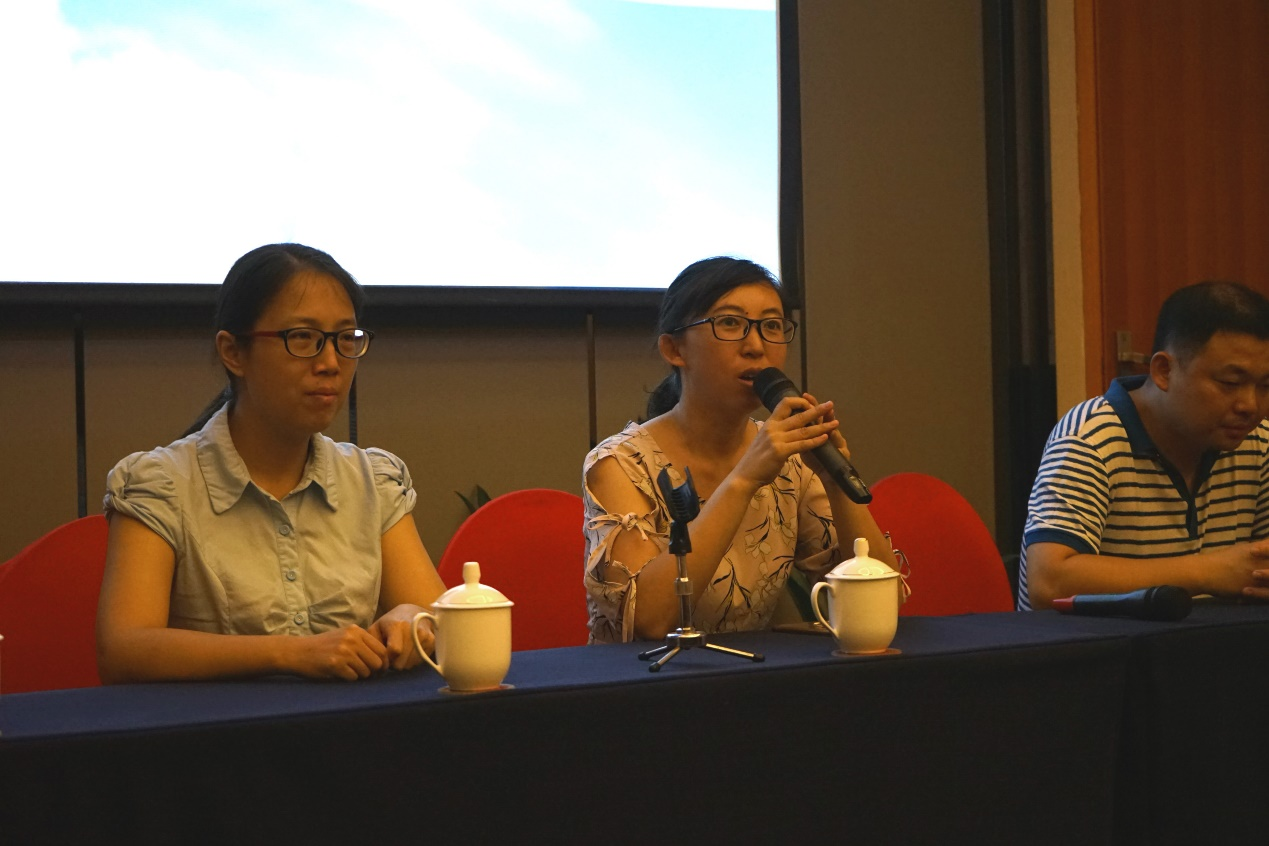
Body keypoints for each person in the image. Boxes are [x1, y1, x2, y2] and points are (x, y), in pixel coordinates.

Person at [97, 243, 447, 682]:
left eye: (346, 339)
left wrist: (414, 618)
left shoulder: (371, 481)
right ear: (233, 352)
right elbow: (124, 650)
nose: (330, 363)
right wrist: (292, 653)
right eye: (302, 338)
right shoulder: (161, 484)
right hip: (215, 725)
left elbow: (442, 621)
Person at [582, 256, 895, 643]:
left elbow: (882, 600)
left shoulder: (791, 458)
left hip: (753, 674)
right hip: (647, 676)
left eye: (772, 325)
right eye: (730, 323)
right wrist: (744, 479)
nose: (756, 346)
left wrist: (834, 479)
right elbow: (646, 620)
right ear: (674, 349)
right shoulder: (621, 463)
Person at [1019, 280, 1269, 610]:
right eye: (1230, 383)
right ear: (1164, 371)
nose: (1250, 405)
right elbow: (1048, 583)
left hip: (1213, 639)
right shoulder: (1090, 438)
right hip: (1095, 642)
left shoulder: (1258, 441)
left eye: (1265, 385)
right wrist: (1209, 571)